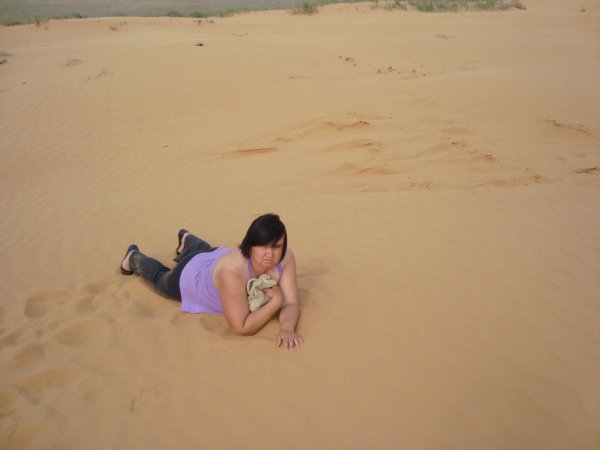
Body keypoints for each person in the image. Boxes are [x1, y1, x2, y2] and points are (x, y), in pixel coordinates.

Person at [119, 213, 302, 351]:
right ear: (250, 245)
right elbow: (241, 327)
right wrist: (276, 301)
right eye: (263, 246)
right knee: (161, 279)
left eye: (276, 246)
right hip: (191, 275)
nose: (270, 254)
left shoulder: (285, 257)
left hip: (215, 256)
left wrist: (287, 328)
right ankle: (133, 258)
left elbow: (292, 303)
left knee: (206, 250)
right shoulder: (231, 273)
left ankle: (187, 240)